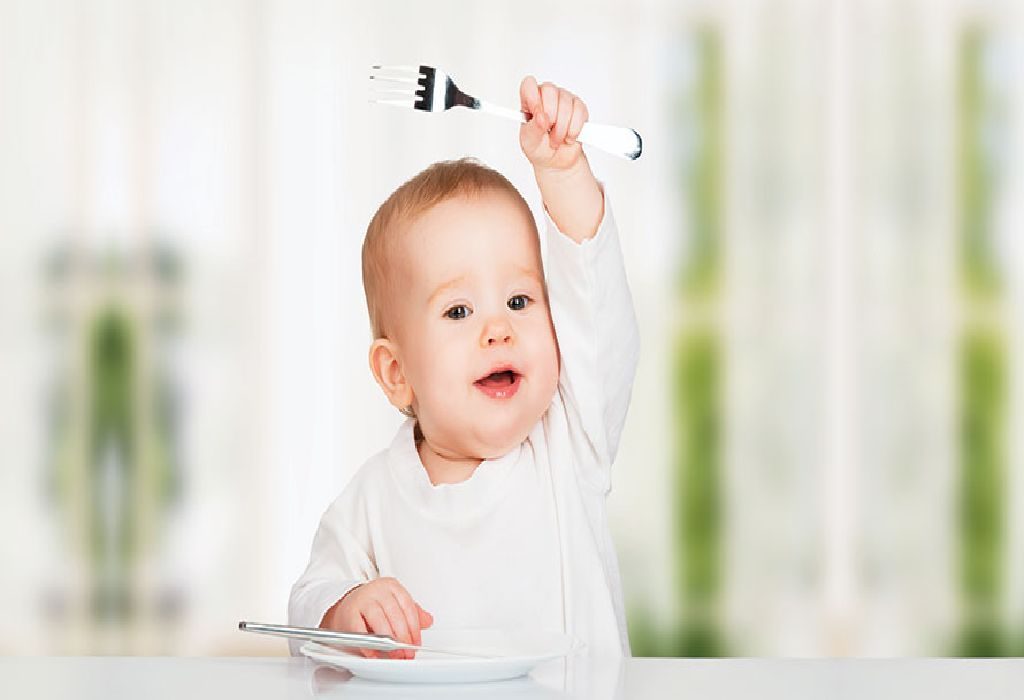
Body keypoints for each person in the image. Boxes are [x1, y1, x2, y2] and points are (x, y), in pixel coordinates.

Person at [288, 75, 640, 659]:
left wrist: (563, 174)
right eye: (458, 310)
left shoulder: (571, 441)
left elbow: (598, 310)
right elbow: (308, 607)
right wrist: (346, 609)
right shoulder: (372, 500)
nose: (498, 328)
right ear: (396, 372)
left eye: (520, 301)